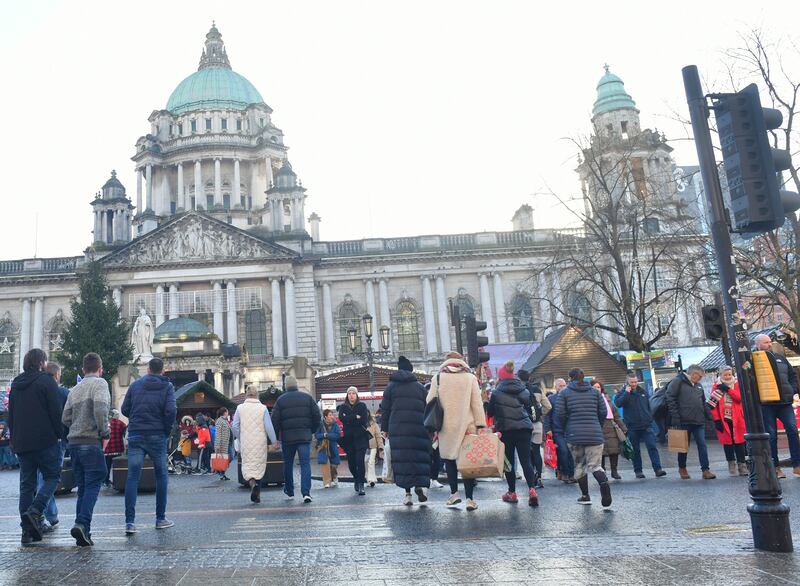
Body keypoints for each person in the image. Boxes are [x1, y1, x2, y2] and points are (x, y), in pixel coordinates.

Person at [8, 348, 64, 544]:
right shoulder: (46, 381)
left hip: (22, 442)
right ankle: (35, 510)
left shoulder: (16, 383)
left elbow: (11, 415)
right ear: (41, 363)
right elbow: (55, 412)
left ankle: (27, 532)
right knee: (52, 477)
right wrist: (60, 434)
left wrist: (13, 440)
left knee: (26, 486)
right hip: (45, 440)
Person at [121, 357, 177, 535]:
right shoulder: (167, 386)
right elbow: (171, 411)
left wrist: (136, 418)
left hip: (136, 434)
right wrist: (166, 430)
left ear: (148, 370)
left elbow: (124, 409)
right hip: (157, 435)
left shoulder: (135, 385)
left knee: (132, 477)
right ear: (162, 371)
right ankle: (160, 518)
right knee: (161, 476)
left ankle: (130, 522)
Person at [61, 352, 110, 546]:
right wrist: (104, 432)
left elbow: (65, 418)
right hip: (91, 441)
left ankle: (83, 532)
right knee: (95, 480)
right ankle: (82, 523)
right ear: (100, 369)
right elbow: (100, 410)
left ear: (83, 369)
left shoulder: (75, 389)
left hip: (74, 442)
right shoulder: (100, 384)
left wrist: (77, 423)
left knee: (82, 486)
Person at [426, 351, 484, 511]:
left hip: (446, 426)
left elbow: (429, 400)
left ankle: (454, 494)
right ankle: (470, 499)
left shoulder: (437, 378)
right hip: (467, 426)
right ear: (461, 361)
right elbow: (477, 403)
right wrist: (480, 425)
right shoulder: (470, 378)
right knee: (466, 462)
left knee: (450, 460)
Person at [380, 356, 431, 506]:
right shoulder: (420, 388)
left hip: (398, 429)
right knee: (418, 458)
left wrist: (385, 429)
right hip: (418, 428)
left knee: (403, 461)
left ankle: (407, 494)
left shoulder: (390, 387)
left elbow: (385, 410)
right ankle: (420, 486)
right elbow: (427, 409)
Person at [487, 361, 540, 507]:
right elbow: (530, 408)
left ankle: (512, 492)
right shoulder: (524, 390)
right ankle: (532, 490)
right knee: (526, 461)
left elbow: (490, 412)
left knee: (509, 463)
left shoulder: (496, 393)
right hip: (524, 428)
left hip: (506, 429)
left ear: (501, 377)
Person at [558, 367, 612, 507]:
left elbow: (561, 414)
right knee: (595, 466)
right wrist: (597, 426)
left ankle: (585, 495)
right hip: (594, 433)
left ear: (570, 378)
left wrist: (567, 428)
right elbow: (603, 412)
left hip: (574, 435)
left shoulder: (564, 393)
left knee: (580, 466)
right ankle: (604, 484)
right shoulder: (595, 392)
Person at [753, 334, 800, 479]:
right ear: (758, 344)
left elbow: (792, 375)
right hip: (767, 404)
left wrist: (792, 390)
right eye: (766, 342)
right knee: (771, 436)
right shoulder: (753, 359)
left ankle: (797, 465)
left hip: (785, 402)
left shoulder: (780, 357)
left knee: (792, 430)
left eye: (770, 342)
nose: (770, 344)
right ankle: (775, 467)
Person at [271, 375, 321, 503]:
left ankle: (289, 490)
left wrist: (275, 438)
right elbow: (317, 416)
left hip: (287, 439)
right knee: (305, 464)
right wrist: (312, 430)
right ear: (296, 385)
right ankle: (306, 493)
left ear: (286, 386)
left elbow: (274, 421)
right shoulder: (307, 398)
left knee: (288, 464)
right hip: (304, 436)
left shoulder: (280, 400)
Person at [666, 364, 716, 480]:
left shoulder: (699, 386)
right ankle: (682, 467)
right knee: (683, 447)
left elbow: (703, 402)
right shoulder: (677, 382)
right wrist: (676, 417)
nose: (701, 378)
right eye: (700, 376)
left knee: (702, 445)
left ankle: (705, 469)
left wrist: (709, 416)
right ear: (693, 374)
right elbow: (670, 398)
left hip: (698, 421)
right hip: (683, 421)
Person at [614, 373, 667, 479]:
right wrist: (626, 393)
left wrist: (649, 418)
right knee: (635, 450)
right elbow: (618, 403)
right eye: (631, 382)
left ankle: (658, 469)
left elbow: (648, 406)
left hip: (646, 425)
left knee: (652, 447)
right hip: (632, 426)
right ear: (627, 382)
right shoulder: (622, 393)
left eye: (635, 382)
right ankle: (638, 471)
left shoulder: (642, 392)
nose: (634, 384)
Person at [232, 386, 277, 503]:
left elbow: (234, 426)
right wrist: (274, 441)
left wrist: (240, 436)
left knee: (248, 466)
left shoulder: (240, 408)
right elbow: (268, 427)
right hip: (260, 442)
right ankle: (258, 493)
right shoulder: (263, 408)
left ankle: (252, 484)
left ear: (247, 395)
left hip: (246, 441)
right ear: (257, 395)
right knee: (258, 466)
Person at [39, 361, 69, 532]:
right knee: (50, 479)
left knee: (40, 478)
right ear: (57, 375)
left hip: (38, 440)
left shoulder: (38, 392)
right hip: (58, 440)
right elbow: (67, 417)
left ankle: (51, 514)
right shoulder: (63, 392)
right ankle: (42, 514)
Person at [709, 366, 747, 477]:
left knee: (739, 442)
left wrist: (728, 390)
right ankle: (731, 463)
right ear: (720, 375)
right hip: (723, 418)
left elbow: (739, 398)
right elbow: (712, 405)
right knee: (728, 443)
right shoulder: (716, 386)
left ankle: (742, 465)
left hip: (737, 418)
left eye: (729, 374)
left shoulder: (737, 384)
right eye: (725, 375)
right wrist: (716, 420)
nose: (727, 376)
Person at [518, 369, 550, 488]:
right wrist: (540, 413)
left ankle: (531, 478)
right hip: (537, 424)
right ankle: (539, 476)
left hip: (524, 424)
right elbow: (548, 406)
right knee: (536, 451)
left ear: (519, 379)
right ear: (529, 377)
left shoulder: (519, 390)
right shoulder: (537, 389)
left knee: (526, 453)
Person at [337, 386, 372, 496]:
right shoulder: (343, 407)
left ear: (357, 395)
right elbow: (342, 419)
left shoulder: (362, 406)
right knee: (352, 463)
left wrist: (350, 418)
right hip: (349, 439)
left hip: (361, 438)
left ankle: (361, 484)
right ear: (347, 395)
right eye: (349, 393)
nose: (351, 395)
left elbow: (363, 420)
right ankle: (356, 478)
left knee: (359, 461)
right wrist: (354, 417)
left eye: (353, 393)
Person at [592, 379, 626, 480]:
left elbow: (616, 415)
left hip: (610, 427)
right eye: (594, 387)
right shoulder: (590, 399)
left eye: (598, 387)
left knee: (614, 450)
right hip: (597, 427)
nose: (597, 389)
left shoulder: (607, 399)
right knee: (600, 452)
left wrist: (623, 427)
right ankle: (603, 472)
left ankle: (614, 471)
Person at [547, 378, 575, 483]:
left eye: (564, 385)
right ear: (556, 387)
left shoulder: (570, 398)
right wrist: (548, 429)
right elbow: (547, 415)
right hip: (557, 430)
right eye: (560, 386)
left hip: (570, 429)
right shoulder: (551, 398)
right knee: (563, 451)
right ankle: (564, 473)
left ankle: (571, 474)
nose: (563, 388)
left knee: (571, 452)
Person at [314, 409, 341, 488]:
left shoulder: (335, 424)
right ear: (325, 416)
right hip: (323, 446)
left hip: (333, 446)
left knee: (334, 465)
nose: (332, 416)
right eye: (330, 415)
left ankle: (334, 476)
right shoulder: (320, 425)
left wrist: (327, 435)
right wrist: (323, 435)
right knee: (324, 464)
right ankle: (327, 482)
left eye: (332, 415)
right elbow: (316, 435)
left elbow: (337, 435)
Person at [104, 409, 127, 487]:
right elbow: (125, 432)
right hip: (117, 449)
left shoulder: (105, 423)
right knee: (118, 466)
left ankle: (106, 481)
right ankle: (118, 481)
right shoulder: (120, 423)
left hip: (107, 450)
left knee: (107, 465)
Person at [365, 410, 383, 488]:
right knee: (365, 462)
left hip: (373, 446)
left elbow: (378, 436)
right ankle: (367, 478)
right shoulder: (359, 423)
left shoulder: (374, 424)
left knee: (371, 462)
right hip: (364, 447)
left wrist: (381, 447)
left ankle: (371, 480)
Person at [214, 407, 232, 481]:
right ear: (224, 412)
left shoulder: (226, 421)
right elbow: (218, 433)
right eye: (227, 411)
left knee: (229, 457)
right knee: (225, 458)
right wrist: (218, 445)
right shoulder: (219, 421)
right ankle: (221, 472)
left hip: (228, 443)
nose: (228, 413)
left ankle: (221, 472)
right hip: (222, 444)